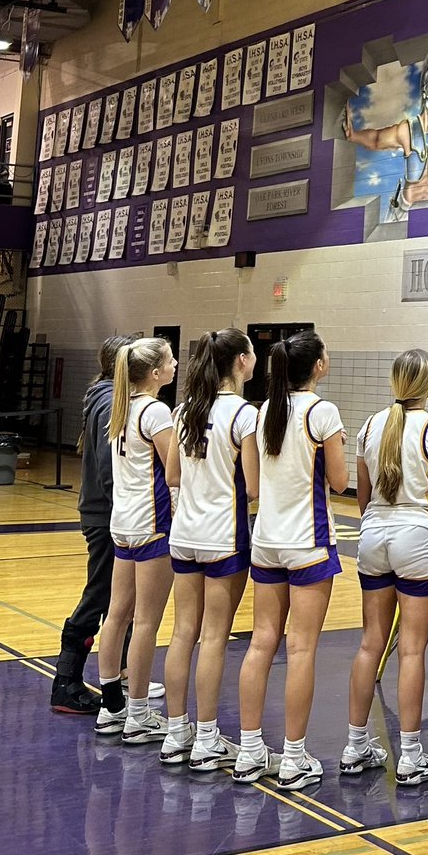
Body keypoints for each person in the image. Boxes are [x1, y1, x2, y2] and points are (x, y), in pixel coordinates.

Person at [233, 331, 348, 791]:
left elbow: (255, 484)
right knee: (300, 649)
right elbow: (339, 482)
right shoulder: (323, 412)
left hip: (267, 539)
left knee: (261, 643)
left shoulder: (263, 411)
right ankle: (294, 756)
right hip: (307, 541)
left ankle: (248, 749)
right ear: (317, 365)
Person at [342, 349, 428, 785]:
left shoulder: (371, 425)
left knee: (370, 644)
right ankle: (409, 754)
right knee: (411, 649)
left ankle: (355, 746)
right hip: (417, 539)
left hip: (372, 535)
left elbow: (363, 493)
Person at [160, 329, 258, 770]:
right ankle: (205, 738)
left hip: (183, 535)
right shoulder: (243, 414)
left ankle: (175, 730)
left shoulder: (182, 410)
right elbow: (253, 487)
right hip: (224, 537)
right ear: (241, 360)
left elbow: (172, 477)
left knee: (183, 632)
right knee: (214, 637)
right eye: (252, 352)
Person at [93, 337, 177, 744]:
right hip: (153, 525)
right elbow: (175, 473)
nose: (176, 363)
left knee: (117, 614)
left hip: (122, 523)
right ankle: (139, 713)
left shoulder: (121, 407)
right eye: (170, 359)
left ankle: (111, 706)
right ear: (156, 373)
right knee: (146, 620)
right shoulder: (156, 411)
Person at [51, 335, 134, 714]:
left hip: (109, 514)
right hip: (108, 517)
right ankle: (66, 681)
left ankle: (120, 673)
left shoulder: (108, 397)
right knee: (100, 595)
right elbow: (108, 470)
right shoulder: (107, 402)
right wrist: (129, 513)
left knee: (120, 598)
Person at [343, 44, 428, 219]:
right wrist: (353, 135)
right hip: (403, 211)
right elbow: (377, 139)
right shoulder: (407, 130)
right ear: (424, 94)